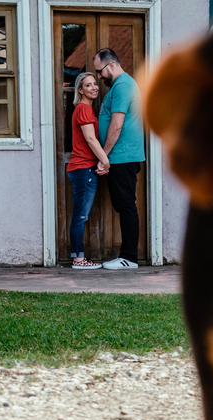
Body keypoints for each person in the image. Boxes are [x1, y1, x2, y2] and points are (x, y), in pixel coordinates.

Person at [93, 48, 144, 270]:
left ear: (111, 65)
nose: (98, 77)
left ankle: (129, 258)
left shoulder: (123, 86)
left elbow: (117, 124)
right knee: (123, 205)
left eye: (100, 71)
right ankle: (127, 256)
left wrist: (103, 155)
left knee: (126, 205)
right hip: (120, 156)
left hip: (122, 156)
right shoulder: (119, 86)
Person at [67, 73, 108, 269]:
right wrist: (105, 161)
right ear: (80, 90)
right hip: (83, 169)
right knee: (80, 215)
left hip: (84, 169)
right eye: (88, 85)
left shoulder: (86, 110)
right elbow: (91, 139)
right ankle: (78, 259)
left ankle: (79, 257)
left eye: (95, 84)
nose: (93, 88)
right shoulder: (83, 109)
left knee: (80, 214)